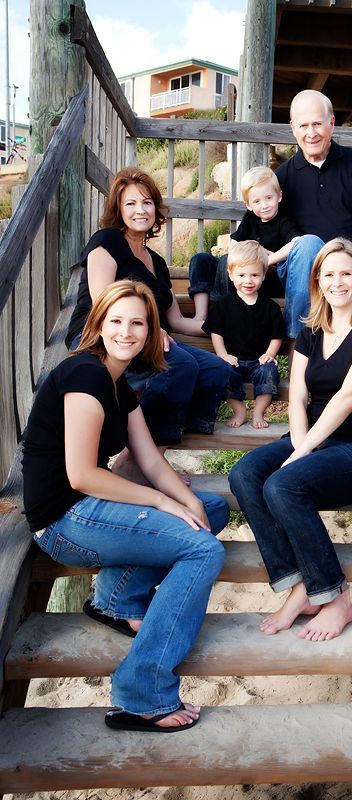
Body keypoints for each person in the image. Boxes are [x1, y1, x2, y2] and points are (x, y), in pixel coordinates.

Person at [23, 280, 229, 732]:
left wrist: (186, 501)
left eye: (137, 322)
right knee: (203, 550)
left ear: (151, 331)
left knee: (210, 510)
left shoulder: (120, 386)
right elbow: (81, 475)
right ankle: (142, 693)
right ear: (98, 324)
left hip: (90, 507)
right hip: (65, 519)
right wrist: (161, 501)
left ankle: (117, 602)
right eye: (116, 321)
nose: (126, 331)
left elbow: (151, 460)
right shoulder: (85, 374)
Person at [229, 239, 352, 641]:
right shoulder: (311, 330)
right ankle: (301, 587)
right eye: (328, 273)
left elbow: (348, 398)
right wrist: (301, 445)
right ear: (317, 280)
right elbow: (299, 397)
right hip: (310, 439)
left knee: (283, 484)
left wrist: (301, 454)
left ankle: (336, 597)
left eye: (345, 273)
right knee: (244, 474)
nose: (337, 281)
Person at [65, 167, 231, 482]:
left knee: (216, 369)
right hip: (100, 335)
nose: (140, 210)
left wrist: (222, 326)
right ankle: (134, 461)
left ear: (156, 208)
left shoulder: (157, 262)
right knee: (180, 365)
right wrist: (150, 331)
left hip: (146, 338)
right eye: (130, 204)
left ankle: (155, 454)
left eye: (146, 203)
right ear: (118, 209)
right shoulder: (107, 241)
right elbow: (104, 302)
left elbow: (178, 321)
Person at [272, 89, 352, 338]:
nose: (311, 133)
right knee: (307, 244)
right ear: (293, 128)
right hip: (307, 268)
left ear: (332, 123)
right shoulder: (282, 176)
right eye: (304, 125)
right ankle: (301, 342)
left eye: (317, 123)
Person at [188, 166, 301, 325]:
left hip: (261, 277)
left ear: (279, 196)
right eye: (257, 201)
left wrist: (268, 259)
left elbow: (296, 243)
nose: (264, 205)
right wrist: (238, 257)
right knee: (201, 259)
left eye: (269, 198)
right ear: (248, 204)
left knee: (228, 260)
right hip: (237, 273)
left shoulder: (284, 221)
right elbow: (234, 243)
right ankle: (200, 316)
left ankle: (227, 311)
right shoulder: (250, 218)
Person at [202, 241, 285, 429]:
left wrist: (270, 355)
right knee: (222, 372)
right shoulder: (223, 304)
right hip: (233, 360)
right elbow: (216, 332)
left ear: (264, 275)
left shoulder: (270, 307)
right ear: (230, 274)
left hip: (258, 361)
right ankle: (239, 410)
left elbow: (276, 335)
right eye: (241, 275)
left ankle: (258, 411)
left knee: (269, 372)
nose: (248, 281)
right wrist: (223, 355)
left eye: (255, 275)